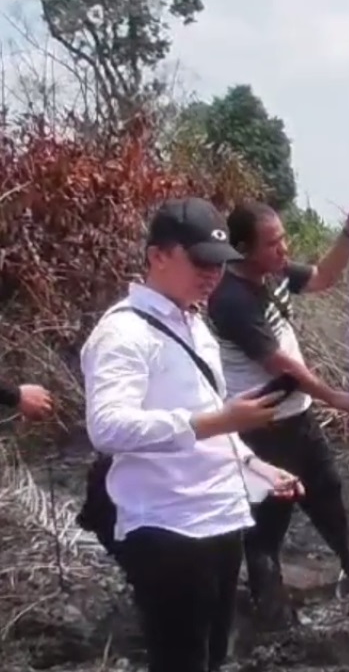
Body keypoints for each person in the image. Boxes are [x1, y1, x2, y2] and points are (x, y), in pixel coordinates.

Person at [80, 197, 302, 672]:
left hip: (220, 516)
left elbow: (210, 418)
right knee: (181, 660)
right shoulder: (123, 333)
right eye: (199, 261)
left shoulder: (196, 323)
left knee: (214, 656)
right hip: (167, 527)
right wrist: (217, 423)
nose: (211, 274)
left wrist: (257, 467)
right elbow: (107, 427)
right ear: (158, 256)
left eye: (218, 264)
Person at [205, 200, 349, 627]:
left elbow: (324, 277)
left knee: (327, 492)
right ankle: (271, 611)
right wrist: (339, 398)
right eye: (273, 243)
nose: (283, 249)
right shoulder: (231, 300)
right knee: (269, 519)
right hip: (263, 424)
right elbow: (284, 368)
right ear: (242, 248)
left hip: (297, 416)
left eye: (283, 239)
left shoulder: (270, 272)